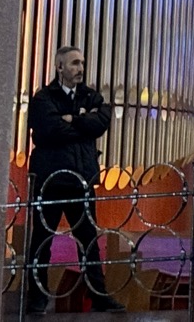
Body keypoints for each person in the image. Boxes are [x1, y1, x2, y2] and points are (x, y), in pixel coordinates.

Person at [24, 46, 126, 315]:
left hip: (81, 180)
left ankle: (98, 295)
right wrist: (82, 124)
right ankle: (36, 297)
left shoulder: (91, 96)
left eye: (82, 63)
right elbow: (50, 129)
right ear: (59, 67)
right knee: (42, 241)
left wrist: (73, 120)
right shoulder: (44, 98)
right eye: (74, 63)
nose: (80, 68)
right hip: (51, 180)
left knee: (89, 241)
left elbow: (101, 122)